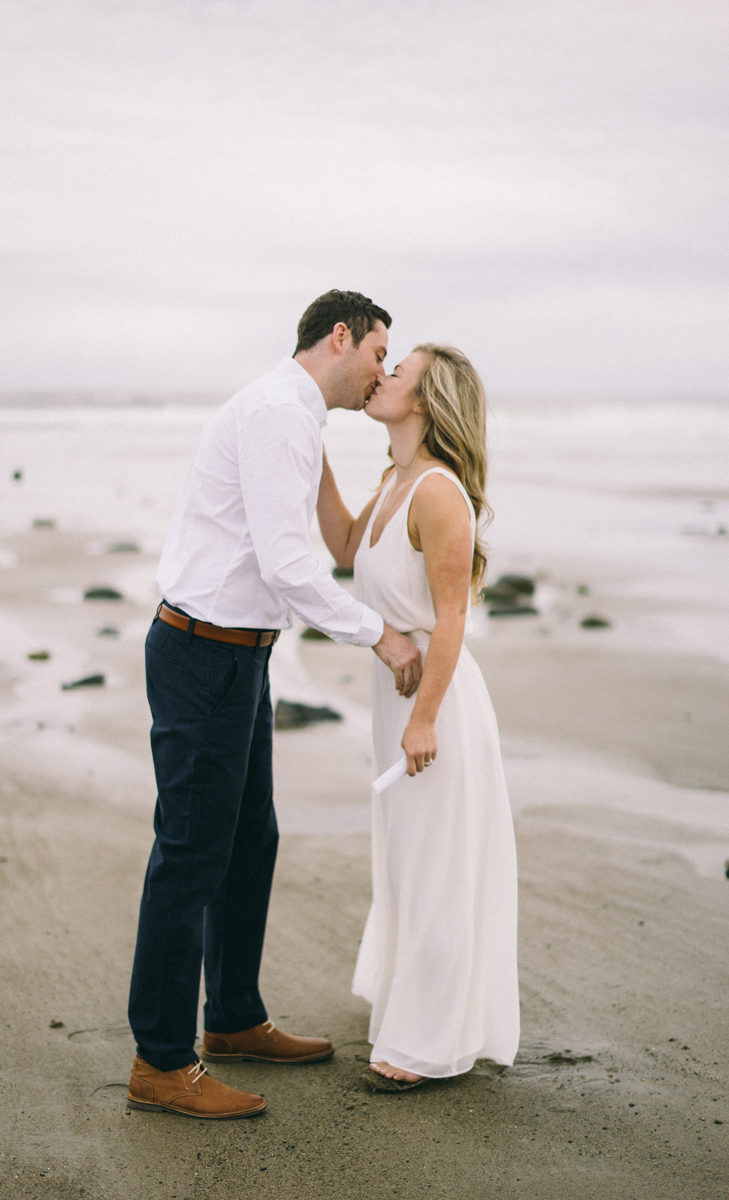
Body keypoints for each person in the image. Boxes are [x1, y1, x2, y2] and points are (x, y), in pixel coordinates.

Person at [126, 291, 423, 1120]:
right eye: (377, 353)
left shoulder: (295, 419)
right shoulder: (275, 414)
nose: (380, 372)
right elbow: (291, 567)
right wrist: (382, 636)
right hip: (203, 654)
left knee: (249, 840)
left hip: (238, 657)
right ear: (341, 335)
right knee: (189, 854)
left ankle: (232, 1019)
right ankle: (159, 1061)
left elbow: (309, 552)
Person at [317, 343, 520, 1089]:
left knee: (436, 866)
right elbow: (343, 543)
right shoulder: (396, 479)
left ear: (428, 402)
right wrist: (311, 450)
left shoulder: (437, 492)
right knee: (407, 864)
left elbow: (452, 618)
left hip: (439, 705)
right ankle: (413, 1012)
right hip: (398, 702)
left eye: (398, 371)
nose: (382, 374)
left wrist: (425, 718)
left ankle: (431, 1041)